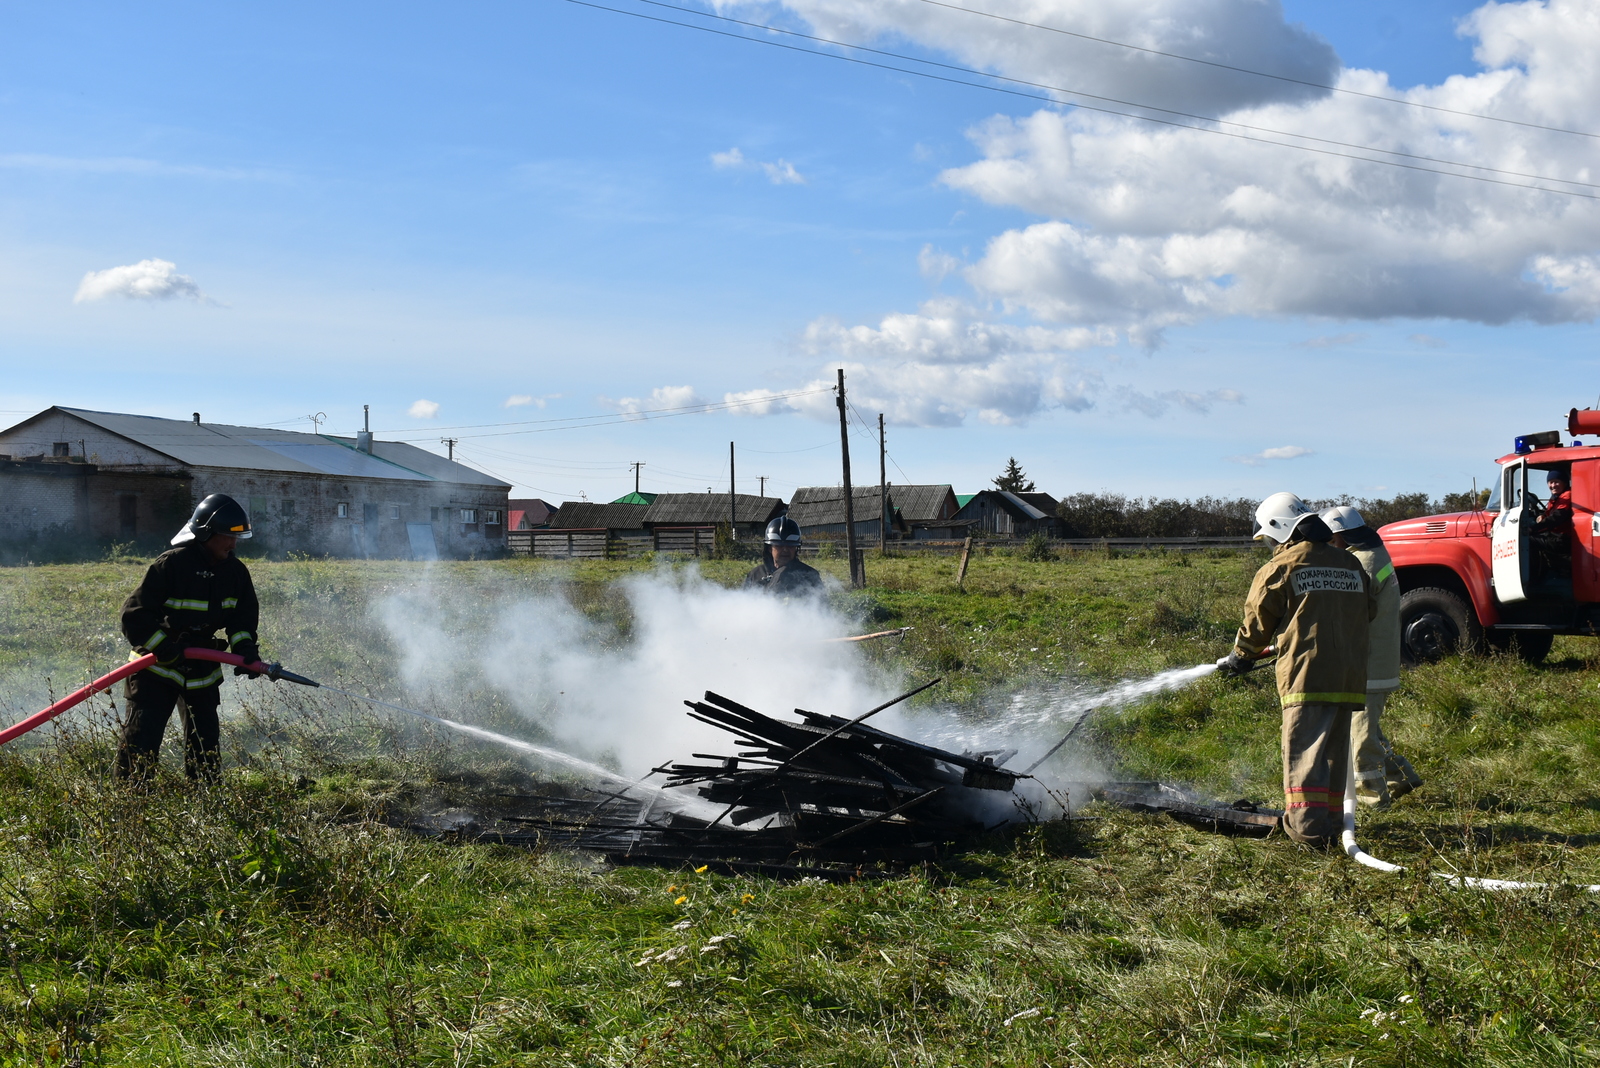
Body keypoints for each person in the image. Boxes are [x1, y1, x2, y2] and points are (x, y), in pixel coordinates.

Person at [1219, 492, 1378, 848]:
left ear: (1281, 529)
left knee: (1304, 755)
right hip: (1349, 676)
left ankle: (1307, 832)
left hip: (1307, 678)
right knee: (1334, 755)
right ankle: (1331, 826)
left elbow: (1257, 623)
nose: (1272, 545)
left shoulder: (1280, 568)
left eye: (1271, 538)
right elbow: (1367, 611)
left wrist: (1241, 656)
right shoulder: (1350, 564)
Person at [117, 493, 263, 781]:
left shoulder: (235, 573)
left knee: (205, 745)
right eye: (227, 537)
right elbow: (134, 615)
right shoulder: (172, 565)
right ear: (206, 532)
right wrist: (164, 648)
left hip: (201, 671)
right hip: (155, 668)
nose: (233, 544)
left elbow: (241, 620)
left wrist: (245, 647)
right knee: (141, 743)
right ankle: (130, 805)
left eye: (237, 538)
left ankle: (205, 801)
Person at [1321, 505, 1423, 808]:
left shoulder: (1361, 566)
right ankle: (1402, 776)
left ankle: (1373, 797)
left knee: (1360, 739)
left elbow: (1349, 615)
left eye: (1330, 539)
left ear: (1341, 536)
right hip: (1380, 660)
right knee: (1370, 728)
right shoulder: (1377, 555)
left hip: (1368, 665)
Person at [744, 516, 824, 595]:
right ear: (769, 548)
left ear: (796, 548)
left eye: (790, 546)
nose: (785, 550)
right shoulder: (755, 575)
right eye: (779, 546)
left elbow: (822, 606)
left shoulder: (809, 575)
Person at [1531, 465, 1574, 582]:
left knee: (1527, 540)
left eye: (1556, 482)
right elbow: (1551, 513)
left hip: (1561, 539)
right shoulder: (1556, 497)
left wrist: (1534, 529)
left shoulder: (1567, 496)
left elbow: (1557, 518)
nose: (1553, 485)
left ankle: (1535, 578)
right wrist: (1543, 516)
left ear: (1564, 482)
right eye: (1550, 482)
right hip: (1556, 536)